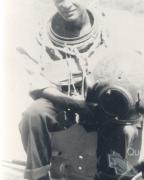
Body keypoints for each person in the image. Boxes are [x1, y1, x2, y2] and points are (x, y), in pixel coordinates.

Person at [18, 0, 108, 180]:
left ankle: (109, 174)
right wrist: (75, 104)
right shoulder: (41, 35)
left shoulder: (108, 30)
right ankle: (38, 175)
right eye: (59, 0)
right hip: (59, 99)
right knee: (33, 115)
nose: (65, 5)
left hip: (100, 99)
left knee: (121, 124)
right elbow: (36, 83)